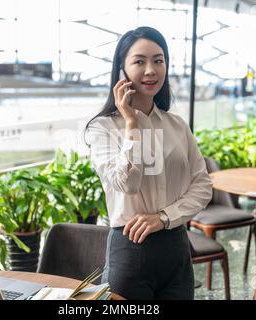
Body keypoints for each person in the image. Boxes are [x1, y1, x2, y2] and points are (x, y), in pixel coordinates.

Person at [84, 26, 212, 300]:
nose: (151, 70)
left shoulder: (177, 125)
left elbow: (202, 186)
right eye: (139, 61)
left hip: (176, 248)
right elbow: (127, 184)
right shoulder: (102, 128)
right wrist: (132, 123)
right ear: (122, 69)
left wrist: (164, 218)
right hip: (131, 249)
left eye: (158, 60)